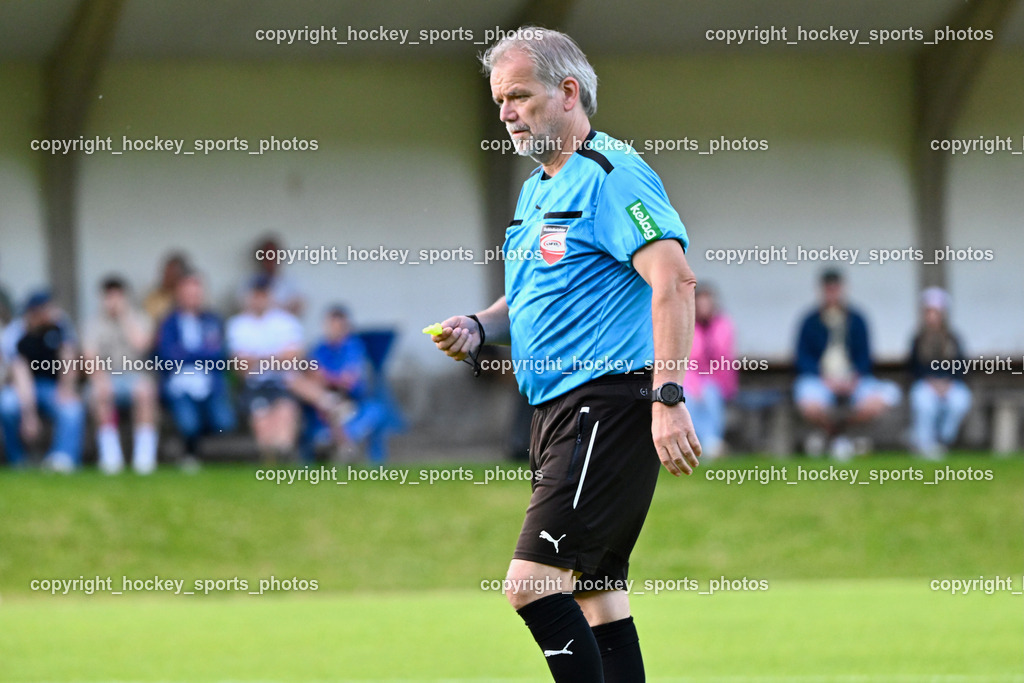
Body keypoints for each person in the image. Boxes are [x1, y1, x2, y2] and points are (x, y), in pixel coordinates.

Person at [430, 28, 700, 682]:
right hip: (556, 412)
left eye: (518, 95)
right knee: (596, 593)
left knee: (531, 585)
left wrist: (668, 398)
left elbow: (675, 279)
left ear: (569, 92)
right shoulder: (537, 189)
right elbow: (531, 298)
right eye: (499, 101)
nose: (506, 113)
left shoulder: (611, 174)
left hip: (605, 406)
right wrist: (479, 324)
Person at [794, 269, 900, 460]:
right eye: (828, 290)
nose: (832, 294)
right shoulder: (809, 321)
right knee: (809, 404)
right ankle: (841, 439)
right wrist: (824, 378)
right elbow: (803, 357)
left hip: (854, 379)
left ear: (843, 290)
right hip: (820, 379)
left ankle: (836, 436)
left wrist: (853, 378)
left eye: (835, 289)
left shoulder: (857, 320)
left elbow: (865, 356)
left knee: (879, 401)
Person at [154, 270, 236, 464]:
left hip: (209, 382)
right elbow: (167, 356)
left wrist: (186, 352)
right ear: (179, 295)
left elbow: (218, 355)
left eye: (196, 293)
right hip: (179, 383)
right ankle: (190, 452)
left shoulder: (213, 320)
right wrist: (201, 352)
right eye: (188, 293)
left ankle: (199, 446)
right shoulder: (168, 322)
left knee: (224, 423)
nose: (193, 298)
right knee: (188, 423)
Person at [0, 291, 85, 471]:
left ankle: (62, 459)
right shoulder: (16, 334)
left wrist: (66, 389)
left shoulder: (61, 326)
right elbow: (20, 373)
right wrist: (28, 414)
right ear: (33, 312)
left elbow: (68, 358)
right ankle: (19, 460)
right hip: (20, 387)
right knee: (6, 404)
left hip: (52, 386)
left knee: (72, 408)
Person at [82, 276, 159, 474]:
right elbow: (90, 358)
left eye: (117, 296)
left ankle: (144, 458)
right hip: (107, 377)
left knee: (145, 391)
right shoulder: (93, 323)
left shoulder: (141, 318)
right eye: (108, 296)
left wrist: (124, 317)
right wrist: (100, 380)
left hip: (136, 377)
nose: (113, 301)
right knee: (99, 393)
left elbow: (141, 345)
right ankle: (111, 457)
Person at [227, 275, 304, 463]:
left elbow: (294, 358)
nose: (259, 299)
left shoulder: (286, 322)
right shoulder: (238, 324)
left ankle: (284, 456)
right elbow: (241, 366)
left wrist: (259, 358)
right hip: (254, 384)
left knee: (285, 413)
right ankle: (270, 460)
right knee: (262, 420)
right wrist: (275, 357)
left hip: (281, 382)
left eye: (263, 295)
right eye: (256, 295)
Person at [907, 287, 971, 459]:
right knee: (924, 402)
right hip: (926, 384)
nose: (932, 316)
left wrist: (947, 383)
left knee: (960, 401)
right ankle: (924, 442)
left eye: (935, 312)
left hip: (950, 384)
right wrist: (931, 382)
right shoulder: (918, 339)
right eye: (928, 312)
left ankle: (943, 440)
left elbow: (960, 366)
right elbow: (914, 368)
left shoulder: (953, 339)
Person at [682, 283, 737, 458]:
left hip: (717, 380)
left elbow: (722, 359)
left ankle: (710, 442)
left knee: (711, 395)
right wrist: (695, 384)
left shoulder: (723, 325)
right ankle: (705, 443)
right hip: (690, 379)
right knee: (689, 398)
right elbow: (687, 360)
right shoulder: (686, 325)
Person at [239, 235, 306, 317]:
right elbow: (243, 305)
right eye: (267, 255)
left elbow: (299, 305)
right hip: (256, 326)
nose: (271, 259)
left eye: (274, 255)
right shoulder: (249, 280)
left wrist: (273, 305)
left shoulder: (289, 281)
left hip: (282, 324)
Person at [144, 252, 190, 324]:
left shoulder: (190, 297)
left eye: (172, 274)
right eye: (165, 273)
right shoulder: (153, 297)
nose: (166, 277)